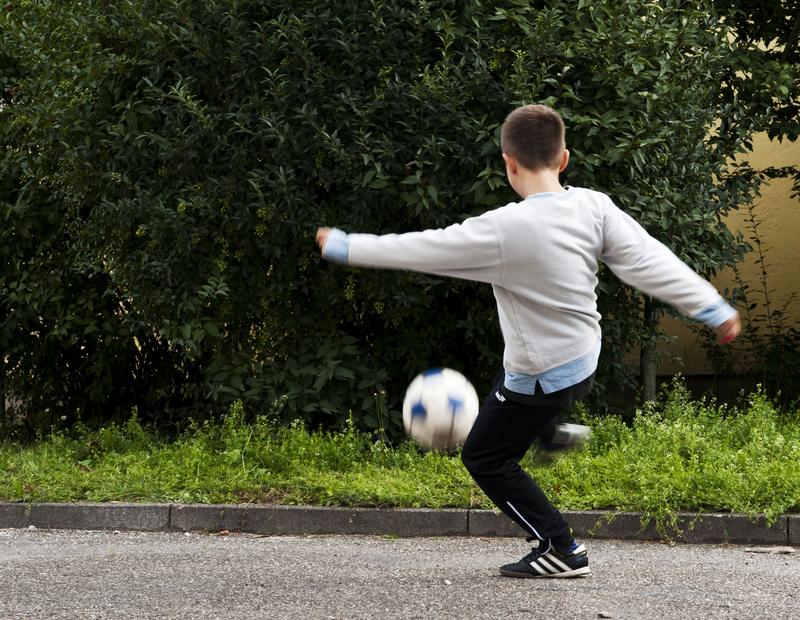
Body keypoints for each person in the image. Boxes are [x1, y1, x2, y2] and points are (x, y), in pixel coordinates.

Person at [315, 104, 741, 578]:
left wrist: (345, 245)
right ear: (564, 159)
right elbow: (649, 261)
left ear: (508, 163)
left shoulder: (502, 229)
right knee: (513, 380)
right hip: (582, 360)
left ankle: (561, 547)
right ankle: (552, 431)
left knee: (485, 457)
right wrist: (712, 307)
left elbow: (421, 247)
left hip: (543, 375)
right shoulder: (592, 206)